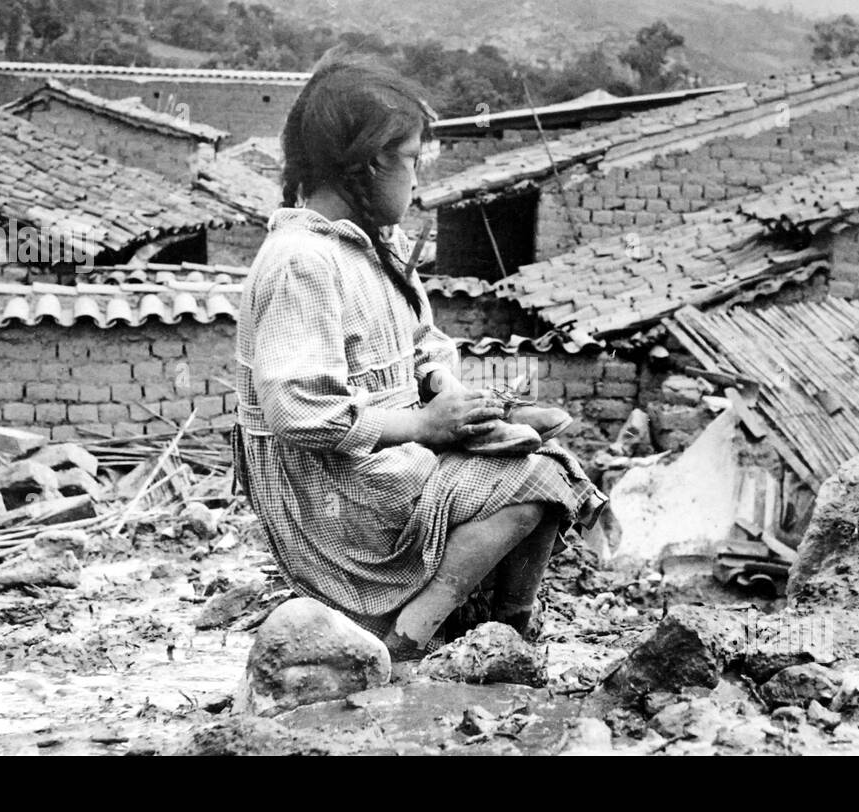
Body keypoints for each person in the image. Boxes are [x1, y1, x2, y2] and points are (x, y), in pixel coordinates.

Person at [233, 48, 607, 661]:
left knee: (551, 460)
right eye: (410, 162)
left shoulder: (370, 250)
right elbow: (300, 414)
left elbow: (421, 344)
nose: (416, 182)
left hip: (382, 464)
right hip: (333, 494)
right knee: (531, 481)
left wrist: (445, 390)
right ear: (369, 163)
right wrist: (427, 427)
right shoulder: (302, 261)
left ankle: (509, 627)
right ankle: (410, 636)